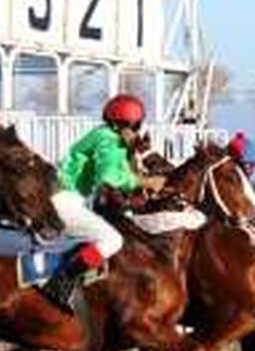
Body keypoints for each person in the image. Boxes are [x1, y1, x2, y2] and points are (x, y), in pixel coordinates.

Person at [40, 93, 166, 312]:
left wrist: (138, 179)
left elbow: (121, 172)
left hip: (63, 197)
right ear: (121, 126)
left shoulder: (103, 135)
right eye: (136, 127)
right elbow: (108, 177)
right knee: (112, 240)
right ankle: (62, 280)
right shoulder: (110, 140)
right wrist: (147, 181)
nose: (137, 133)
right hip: (64, 200)